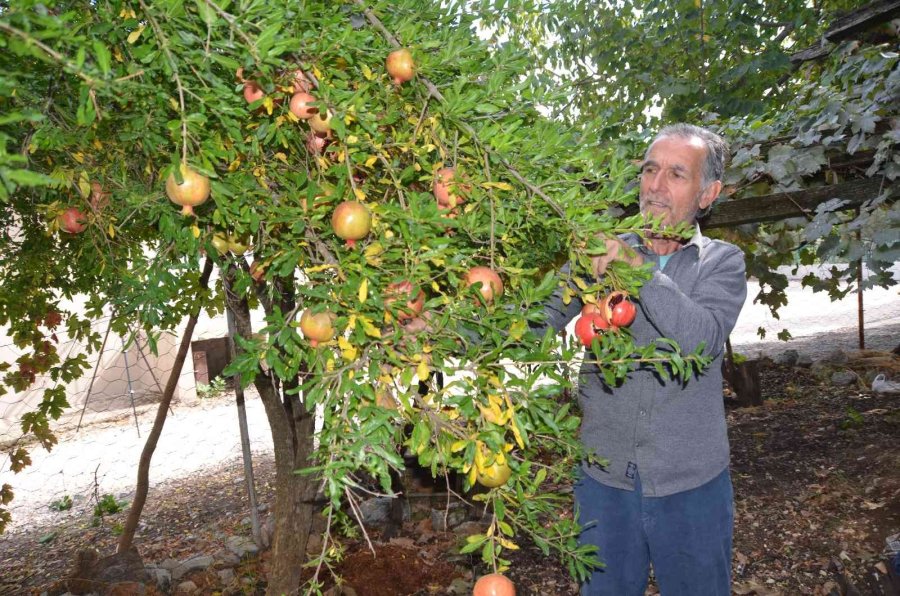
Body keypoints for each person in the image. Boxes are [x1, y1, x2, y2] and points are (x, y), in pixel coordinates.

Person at [539, 124, 747, 595]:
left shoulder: (722, 262)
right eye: (650, 170)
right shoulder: (600, 254)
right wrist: (446, 328)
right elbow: (536, 319)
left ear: (708, 194)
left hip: (692, 486)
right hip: (604, 482)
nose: (655, 185)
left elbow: (702, 341)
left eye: (676, 174)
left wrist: (635, 270)